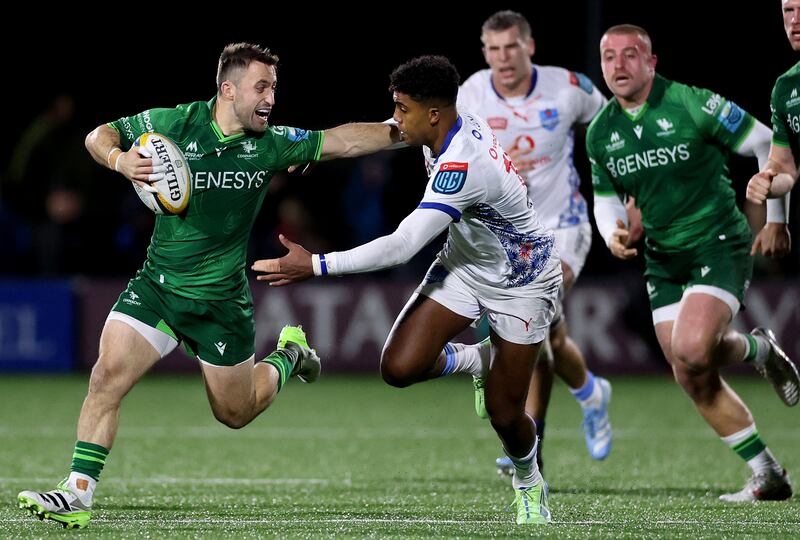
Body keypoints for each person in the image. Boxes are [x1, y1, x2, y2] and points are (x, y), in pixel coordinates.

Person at [17, 42, 401, 529]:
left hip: (221, 303)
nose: (271, 98)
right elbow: (99, 134)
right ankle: (76, 495)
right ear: (228, 88)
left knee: (235, 414)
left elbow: (341, 140)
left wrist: (407, 132)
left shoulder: (272, 142)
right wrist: (119, 161)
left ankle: (290, 355)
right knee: (106, 377)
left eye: (274, 89)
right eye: (262, 87)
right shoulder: (176, 123)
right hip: (159, 286)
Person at [253, 55, 561, 525]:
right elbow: (368, 136)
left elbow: (402, 246)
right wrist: (311, 148)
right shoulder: (440, 124)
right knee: (398, 367)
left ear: (432, 114)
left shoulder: (464, 164)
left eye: (401, 109)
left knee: (504, 414)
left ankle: (528, 481)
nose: (395, 118)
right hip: (468, 263)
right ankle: (480, 359)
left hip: (523, 279)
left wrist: (315, 264)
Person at [587, 24, 799, 502]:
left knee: (694, 347)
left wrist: (774, 218)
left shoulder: (690, 102)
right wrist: (611, 231)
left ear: (652, 62)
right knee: (689, 370)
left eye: (630, 55)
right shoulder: (602, 131)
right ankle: (767, 473)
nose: (618, 66)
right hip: (662, 259)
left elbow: (764, 141)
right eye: (608, 57)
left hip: (716, 243)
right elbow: (604, 199)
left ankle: (759, 351)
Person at [451, 10, 612, 476]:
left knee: (534, 322)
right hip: (503, 236)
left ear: (530, 47)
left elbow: (609, 132)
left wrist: (625, 195)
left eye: (511, 48)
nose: (503, 58)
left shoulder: (570, 88)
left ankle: (531, 443)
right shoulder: (471, 94)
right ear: (484, 52)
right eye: (493, 49)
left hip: (562, 226)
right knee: (545, 336)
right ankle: (590, 393)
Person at [746, 0, 800, 234]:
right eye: (789, 10)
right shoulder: (785, 88)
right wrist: (768, 182)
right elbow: (786, 167)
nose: (795, 21)